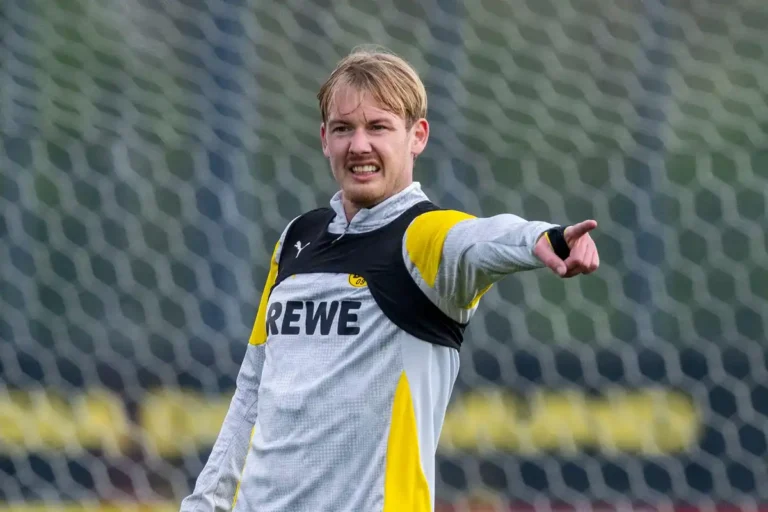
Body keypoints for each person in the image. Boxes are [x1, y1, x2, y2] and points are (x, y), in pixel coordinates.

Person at [180, 46, 599, 512]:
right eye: (343, 129)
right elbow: (253, 391)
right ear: (324, 139)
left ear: (417, 136)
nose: (359, 145)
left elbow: (479, 238)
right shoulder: (297, 239)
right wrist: (204, 504)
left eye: (378, 127)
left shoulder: (423, 238)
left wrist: (544, 239)